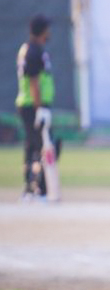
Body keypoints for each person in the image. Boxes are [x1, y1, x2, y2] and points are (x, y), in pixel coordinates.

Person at [15, 15, 55, 200]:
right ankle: (38, 189)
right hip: (33, 106)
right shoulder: (33, 51)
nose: (49, 32)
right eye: (47, 29)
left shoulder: (29, 49)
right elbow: (34, 83)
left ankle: (30, 189)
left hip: (30, 105)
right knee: (42, 147)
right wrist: (40, 108)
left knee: (32, 146)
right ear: (42, 31)